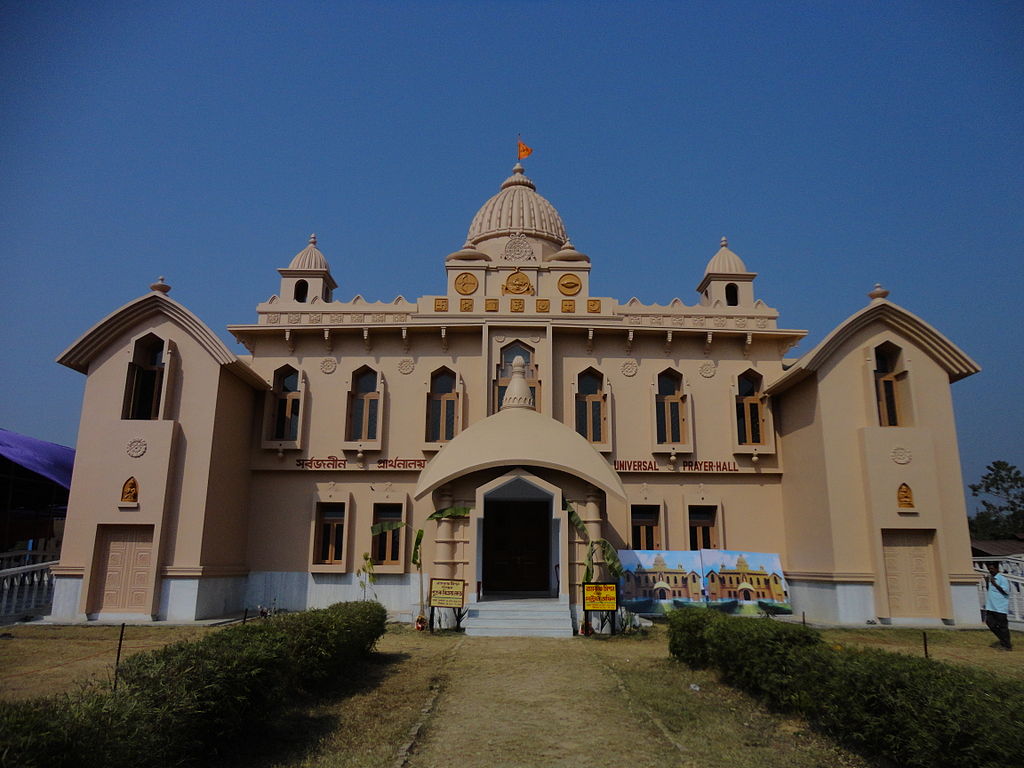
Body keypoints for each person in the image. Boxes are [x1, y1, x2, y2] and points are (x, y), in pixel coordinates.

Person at [983, 561, 1013, 651]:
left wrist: (995, 584)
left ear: (997, 569)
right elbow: (990, 591)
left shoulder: (1002, 579)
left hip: (1000, 607)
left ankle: (1007, 645)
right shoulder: (991, 578)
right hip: (991, 606)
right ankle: (1003, 640)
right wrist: (988, 582)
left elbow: (1006, 591)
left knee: (1003, 627)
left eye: (992, 569)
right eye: (989, 569)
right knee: (990, 623)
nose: (990, 571)